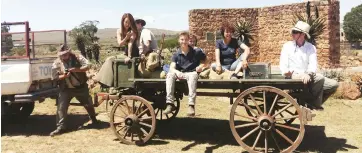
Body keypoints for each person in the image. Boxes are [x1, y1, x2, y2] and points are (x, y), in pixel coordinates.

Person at [279, 21, 339, 109]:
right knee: (320, 78)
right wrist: (288, 73)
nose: (292, 34)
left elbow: (313, 64)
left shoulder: (310, 47)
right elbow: (283, 65)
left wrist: (308, 74)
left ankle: (311, 103)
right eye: (293, 31)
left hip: (307, 75)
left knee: (334, 84)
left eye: (295, 32)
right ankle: (314, 104)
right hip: (293, 75)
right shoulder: (287, 46)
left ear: (303, 34)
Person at [50, 45, 99, 136]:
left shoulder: (78, 57)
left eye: (65, 54)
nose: (63, 57)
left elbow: (88, 65)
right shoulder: (57, 63)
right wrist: (64, 76)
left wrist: (76, 69)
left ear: (69, 53)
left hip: (80, 87)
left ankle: (94, 120)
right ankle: (61, 127)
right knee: (61, 108)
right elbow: (54, 77)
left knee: (88, 103)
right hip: (66, 88)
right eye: (61, 55)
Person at [163, 32, 206, 117]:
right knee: (170, 75)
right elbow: (172, 67)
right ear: (179, 40)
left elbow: (206, 61)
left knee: (193, 75)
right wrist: (177, 72)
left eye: (186, 39)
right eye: (182, 39)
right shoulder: (176, 54)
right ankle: (170, 104)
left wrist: (201, 66)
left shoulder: (196, 51)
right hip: (180, 73)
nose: (184, 41)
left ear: (188, 40)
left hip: (191, 73)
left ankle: (191, 105)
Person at [95, 13, 139, 87]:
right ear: (122, 22)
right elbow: (120, 44)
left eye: (129, 22)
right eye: (126, 22)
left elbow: (130, 44)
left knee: (110, 60)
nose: (127, 24)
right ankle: (101, 80)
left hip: (133, 53)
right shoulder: (119, 31)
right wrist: (126, 37)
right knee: (109, 59)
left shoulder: (133, 31)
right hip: (125, 53)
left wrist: (129, 56)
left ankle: (108, 83)